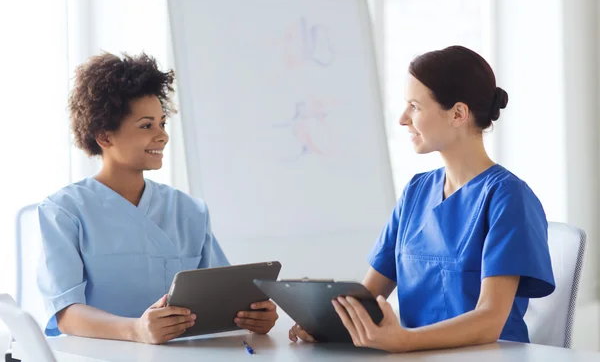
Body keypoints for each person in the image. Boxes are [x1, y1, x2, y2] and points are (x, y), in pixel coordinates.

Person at [289, 45, 555, 352]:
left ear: (458, 113)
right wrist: (325, 323)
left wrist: (405, 341)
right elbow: (369, 295)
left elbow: (489, 320)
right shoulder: (416, 192)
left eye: (414, 106)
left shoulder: (508, 198)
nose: (403, 119)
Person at [37, 52, 278, 344]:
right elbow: (65, 313)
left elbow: (222, 297)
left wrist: (253, 315)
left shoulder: (190, 211)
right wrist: (136, 330)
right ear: (104, 136)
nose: (162, 136)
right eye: (146, 125)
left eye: (162, 124)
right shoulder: (64, 211)